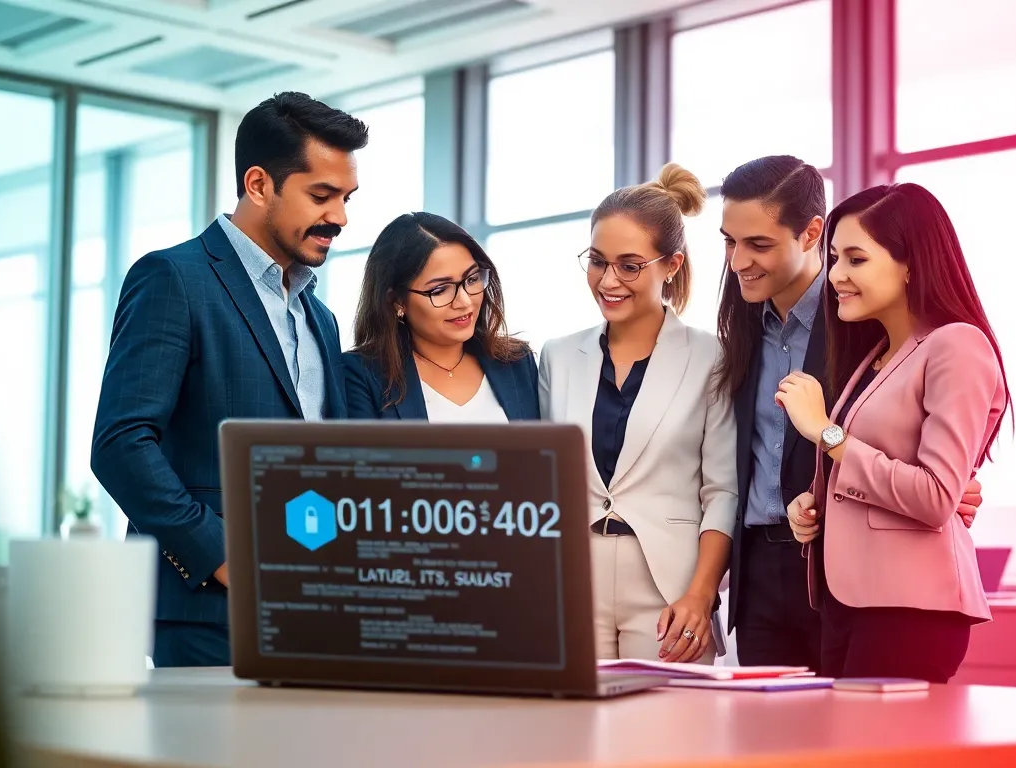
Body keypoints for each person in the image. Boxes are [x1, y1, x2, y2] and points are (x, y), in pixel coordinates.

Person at [90, 92, 367, 667]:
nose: (340, 217)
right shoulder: (173, 277)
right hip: (205, 611)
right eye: (322, 196)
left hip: (312, 607)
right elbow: (120, 444)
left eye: (347, 198)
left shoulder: (320, 317)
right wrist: (222, 556)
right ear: (259, 184)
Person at [716, 156, 983, 671]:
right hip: (768, 570)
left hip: (860, 580)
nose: (737, 261)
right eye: (730, 242)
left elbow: (930, 473)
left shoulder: (864, 321)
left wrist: (952, 487)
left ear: (809, 233)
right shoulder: (742, 327)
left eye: (759, 244)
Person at [777, 182, 1011, 683]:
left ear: (911, 265)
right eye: (834, 258)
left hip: (910, 609)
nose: (835, 275)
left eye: (856, 259)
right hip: (848, 604)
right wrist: (815, 504)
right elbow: (871, 471)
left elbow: (935, 496)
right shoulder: (875, 358)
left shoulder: (957, 346)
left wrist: (825, 433)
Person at [539, 163, 736, 663]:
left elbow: (722, 490)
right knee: (575, 713)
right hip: (573, 580)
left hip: (670, 588)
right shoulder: (557, 357)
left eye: (630, 266)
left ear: (671, 265)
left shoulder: (711, 357)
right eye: (597, 261)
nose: (608, 281)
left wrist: (700, 595)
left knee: (664, 715)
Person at [342, 212, 538, 421]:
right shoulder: (362, 375)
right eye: (440, 290)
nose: (464, 301)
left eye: (472, 279)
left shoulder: (516, 362)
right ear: (397, 301)